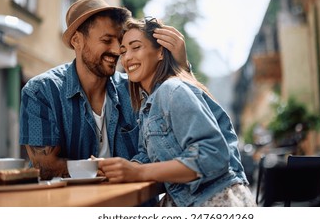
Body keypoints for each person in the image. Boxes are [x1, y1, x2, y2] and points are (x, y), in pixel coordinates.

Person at [19, 0, 189, 180]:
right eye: (107, 40)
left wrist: (181, 66)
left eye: (119, 41)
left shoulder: (136, 89)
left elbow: (169, 141)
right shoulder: (41, 91)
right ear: (77, 41)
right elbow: (45, 165)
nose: (117, 50)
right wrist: (99, 168)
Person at [99, 17, 256, 207]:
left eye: (136, 47)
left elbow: (213, 155)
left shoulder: (171, 90)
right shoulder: (148, 107)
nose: (127, 57)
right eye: (123, 51)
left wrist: (138, 172)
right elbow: (147, 156)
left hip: (216, 201)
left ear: (160, 53)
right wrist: (113, 169)